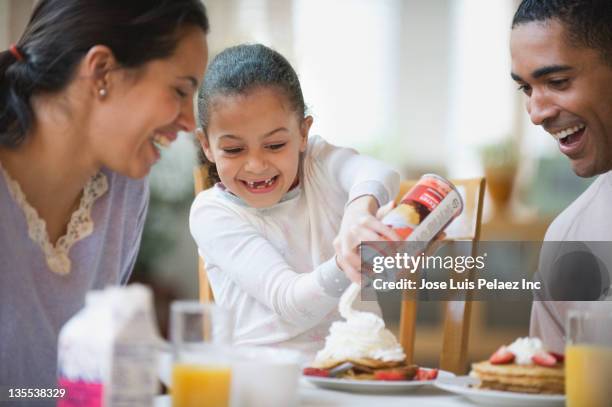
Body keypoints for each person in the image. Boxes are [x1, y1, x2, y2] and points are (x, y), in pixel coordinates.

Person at [0, 0, 209, 390]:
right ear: (102, 71)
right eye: (180, 90)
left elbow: (74, 388)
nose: (189, 121)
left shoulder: (125, 191)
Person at [189, 44, 400, 357]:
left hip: (362, 370)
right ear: (206, 146)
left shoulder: (317, 162)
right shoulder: (211, 212)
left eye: (274, 145)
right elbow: (289, 301)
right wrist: (347, 262)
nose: (256, 165)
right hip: (268, 383)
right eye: (234, 150)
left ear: (303, 133)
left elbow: (382, 174)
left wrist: (359, 211)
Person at [510, 0, 612, 352]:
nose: (536, 113)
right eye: (525, 88)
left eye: (557, 81)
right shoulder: (569, 241)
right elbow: (558, 390)